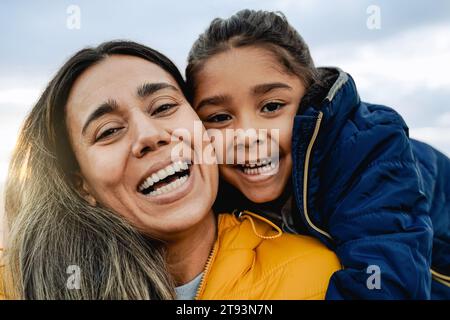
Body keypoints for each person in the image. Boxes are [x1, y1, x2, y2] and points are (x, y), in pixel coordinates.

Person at [0, 40, 340, 300]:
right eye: (108, 131)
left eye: (163, 107)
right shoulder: (16, 285)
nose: (149, 135)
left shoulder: (315, 274)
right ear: (81, 185)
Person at [186, 9, 450, 299]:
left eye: (272, 107)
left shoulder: (368, 151)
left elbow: (386, 286)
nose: (247, 136)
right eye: (220, 117)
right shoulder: (208, 179)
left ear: (311, 99)